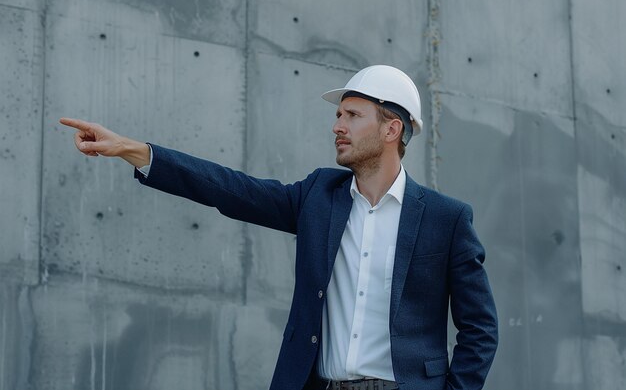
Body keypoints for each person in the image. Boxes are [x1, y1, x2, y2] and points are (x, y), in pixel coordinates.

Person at [60, 65, 498, 390]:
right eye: (339, 115)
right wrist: (133, 150)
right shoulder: (318, 196)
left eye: (352, 115)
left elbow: (480, 329)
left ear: (392, 129)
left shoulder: (447, 218)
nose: (337, 126)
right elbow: (231, 189)